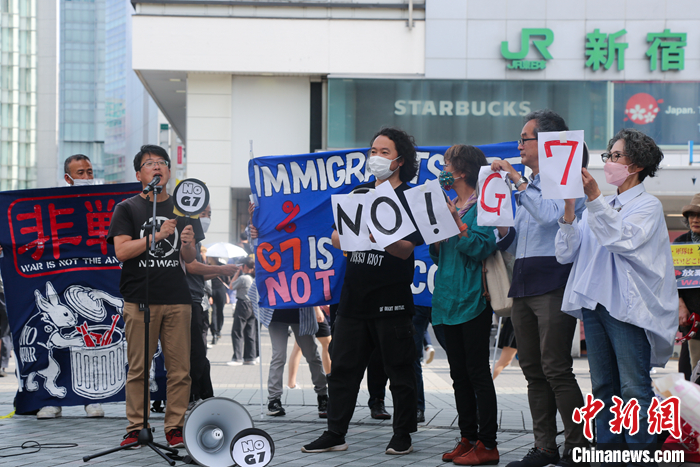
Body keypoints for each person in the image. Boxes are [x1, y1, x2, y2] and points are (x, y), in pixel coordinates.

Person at [556, 128, 677, 460]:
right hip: (595, 305)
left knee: (632, 386)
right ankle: (609, 448)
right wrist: (570, 209)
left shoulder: (647, 206)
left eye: (615, 156)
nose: (607, 162)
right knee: (603, 386)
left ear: (635, 165)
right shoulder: (602, 204)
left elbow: (621, 239)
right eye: (607, 155)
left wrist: (593, 199)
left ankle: (640, 451)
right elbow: (566, 253)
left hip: (626, 308)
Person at [302, 127, 422, 456]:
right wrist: (353, 236)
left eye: (384, 152)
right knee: (342, 370)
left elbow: (406, 249)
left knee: (399, 370)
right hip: (354, 299)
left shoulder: (411, 198)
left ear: (400, 160)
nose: (376, 157)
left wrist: (377, 236)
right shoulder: (358, 193)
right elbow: (337, 238)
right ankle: (335, 433)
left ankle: (403, 435)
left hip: (392, 300)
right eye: (373, 151)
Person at [492, 110, 588, 467]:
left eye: (524, 139)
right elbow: (516, 241)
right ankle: (544, 445)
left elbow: (551, 217)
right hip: (524, 280)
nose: (518, 145)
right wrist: (500, 227)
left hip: (554, 281)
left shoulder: (565, 180)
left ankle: (577, 447)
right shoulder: (527, 185)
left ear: (546, 142)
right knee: (532, 368)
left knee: (556, 367)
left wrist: (517, 181)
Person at [107, 144, 197, 448]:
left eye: (161, 162)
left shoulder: (184, 207)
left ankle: (175, 426)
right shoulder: (127, 208)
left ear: (169, 171)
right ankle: (137, 427)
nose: (156, 167)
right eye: (149, 163)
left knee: (180, 370)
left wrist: (186, 242)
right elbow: (121, 251)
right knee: (138, 369)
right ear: (139, 174)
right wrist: (157, 236)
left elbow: (190, 257)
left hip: (176, 298)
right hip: (139, 299)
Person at [431, 145, 499, 466]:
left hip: (473, 299)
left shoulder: (481, 206)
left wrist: (457, 223)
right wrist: (436, 233)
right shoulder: (448, 204)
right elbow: (439, 255)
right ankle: (467, 438)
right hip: (445, 300)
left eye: (448, 164)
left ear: (462, 170)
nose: (444, 168)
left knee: (477, 373)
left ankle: (488, 444)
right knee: (458, 375)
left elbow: (482, 246)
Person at [37, 154, 104, 419]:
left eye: (89, 171)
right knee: (57, 345)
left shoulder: (104, 205)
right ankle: (52, 400)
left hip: (89, 281)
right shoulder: (54, 204)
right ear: (67, 178)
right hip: (60, 277)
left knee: (89, 344)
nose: (86, 177)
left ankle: (91, 399)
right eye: (80, 173)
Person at [184, 204, 237, 404]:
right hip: (188, 301)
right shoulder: (187, 235)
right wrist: (221, 270)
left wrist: (220, 271)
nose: (206, 218)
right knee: (196, 353)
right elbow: (190, 266)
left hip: (199, 300)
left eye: (209, 214)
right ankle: (194, 396)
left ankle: (204, 396)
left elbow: (200, 269)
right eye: (202, 214)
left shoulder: (197, 239)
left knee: (199, 353)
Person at [677, 194, 700, 374]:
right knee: (688, 369)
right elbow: (671, 279)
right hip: (692, 319)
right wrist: (680, 305)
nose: (695, 219)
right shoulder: (681, 243)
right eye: (692, 215)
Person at [227, 257, 257, 366]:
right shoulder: (254, 277)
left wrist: (236, 273)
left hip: (243, 304)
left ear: (244, 266)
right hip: (253, 305)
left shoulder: (244, 278)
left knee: (237, 331)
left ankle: (237, 358)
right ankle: (250, 357)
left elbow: (231, 286)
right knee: (250, 332)